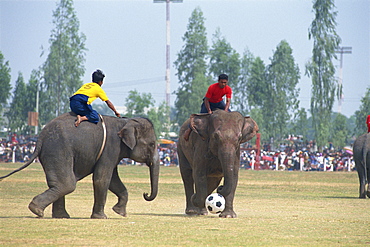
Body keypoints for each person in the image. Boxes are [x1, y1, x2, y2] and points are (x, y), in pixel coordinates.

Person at [183, 74, 232, 141]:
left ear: (227, 82)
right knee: (200, 118)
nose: (223, 84)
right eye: (222, 82)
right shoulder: (212, 87)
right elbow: (206, 100)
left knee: (230, 115)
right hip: (209, 102)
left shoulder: (228, 89)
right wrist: (209, 110)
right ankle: (189, 130)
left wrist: (226, 110)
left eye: (225, 83)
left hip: (219, 102)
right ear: (218, 81)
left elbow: (228, 101)